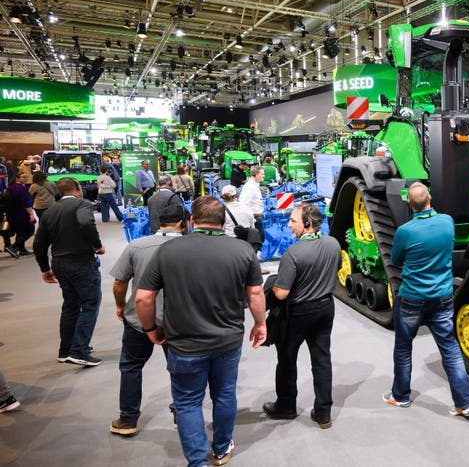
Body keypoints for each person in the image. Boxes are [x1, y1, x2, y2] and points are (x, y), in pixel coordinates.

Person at [135, 196, 266, 467]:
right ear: (223, 222)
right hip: (227, 341)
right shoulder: (243, 251)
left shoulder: (168, 250)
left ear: (192, 221)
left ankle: (197, 462)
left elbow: (143, 298)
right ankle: (220, 450)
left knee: (187, 402)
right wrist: (261, 323)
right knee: (225, 393)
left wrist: (150, 328)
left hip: (183, 343)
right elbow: (255, 293)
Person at [383, 182, 469, 418]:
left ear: (408, 204)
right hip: (443, 297)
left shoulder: (405, 231)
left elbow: (395, 259)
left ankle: (401, 396)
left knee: (403, 349)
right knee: (451, 349)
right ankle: (464, 403)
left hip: (412, 298)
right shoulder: (447, 222)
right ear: (430, 198)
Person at [108, 200, 186, 436]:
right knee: (180, 369)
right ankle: (181, 416)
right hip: (179, 320)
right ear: (183, 224)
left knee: (131, 367)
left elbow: (120, 281)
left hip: (139, 318)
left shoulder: (137, 245)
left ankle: (128, 419)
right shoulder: (191, 247)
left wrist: (121, 306)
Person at [262, 203, 341, 428]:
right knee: (322, 359)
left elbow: (282, 292)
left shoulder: (293, 254)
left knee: (287, 359)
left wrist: (273, 285)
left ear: (307, 224)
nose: (288, 225)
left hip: (297, 313)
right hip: (325, 308)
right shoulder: (333, 244)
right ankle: (323, 413)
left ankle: (286, 407)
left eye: (293, 221)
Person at [33, 177, 105, 366]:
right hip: (81, 261)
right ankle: (80, 351)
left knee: (71, 305)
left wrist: (45, 268)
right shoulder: (82, 204)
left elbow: (38, 244)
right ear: (77, 189)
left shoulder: (50, 211)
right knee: (90, 304)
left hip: (59, 263)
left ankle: (66, 350)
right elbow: (86, 223)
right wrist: (97, 245)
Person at [4, 172, 37, 257]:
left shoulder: (10, 188)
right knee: (30, 231)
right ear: (17, 178)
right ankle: (13, 247)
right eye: (23, 177)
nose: (26, 178)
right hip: (22, 214)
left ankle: (22, 250)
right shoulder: (22, 189)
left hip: (12, 214)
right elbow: (26, 204)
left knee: (20, 232)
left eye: (26, 177)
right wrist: (31, 214)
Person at [239, 166, 265, 250]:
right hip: (254, 218)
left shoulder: (255, 185)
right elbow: (243, 203)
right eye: (262, 174)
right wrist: (251, 219)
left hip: (257, 217)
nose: (263, 176)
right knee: (257, 242)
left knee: (260, 239)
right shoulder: (250, 187)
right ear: (255, 174)